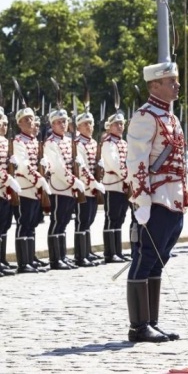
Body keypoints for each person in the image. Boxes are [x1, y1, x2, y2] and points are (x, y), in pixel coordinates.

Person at [125, 61, 186, 343]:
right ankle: (138, 326)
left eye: (176, 80)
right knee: (145, 257)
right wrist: (141, 200)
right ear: (154, 85)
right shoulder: (145, 116)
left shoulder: (171, 117)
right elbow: (137, 160)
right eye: (170, 81)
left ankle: (151, 322)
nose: (177, 85)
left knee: (159, 260)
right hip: (156, 199)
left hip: (173, 199)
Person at [45, 109, 87, 270]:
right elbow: (57, 167)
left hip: (70, 188)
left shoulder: (70, 141)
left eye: (64, 121)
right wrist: (74, 181)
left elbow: (77, 163)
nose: (63, 125)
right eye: (59, 122)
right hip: (59, 186)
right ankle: (55, 259)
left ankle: (62, 256)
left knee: (63, 222)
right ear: (52, 124)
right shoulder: (50, 143)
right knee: (57, 222)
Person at [12, 107, 51, 273]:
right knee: (24, 224)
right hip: (25, 188)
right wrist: (39, 179)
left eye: (31, 119)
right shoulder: (18, 141)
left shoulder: (35, 141)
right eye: (26, 119)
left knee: (32, 224)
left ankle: (31, 257)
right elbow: (23, 165)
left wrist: (46, 166)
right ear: (19, 123)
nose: (30, 122)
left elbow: (42, 161)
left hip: (36, 190)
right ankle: (23, 262)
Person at [74, 112, 106, 267]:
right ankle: (80, 255)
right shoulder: (78, 144)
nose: (89, 126)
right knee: (82, 221)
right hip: (84, 188)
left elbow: (97, 164)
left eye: (90, 123)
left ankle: (87, 251)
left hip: (94, 188)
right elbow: (82, 169)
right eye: (85, 124)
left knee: (89, 220)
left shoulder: (94, 143)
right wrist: (93, 183)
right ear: (78, 127)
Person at [101, 113, 131, 263]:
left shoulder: (124, 143)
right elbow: (114, 163)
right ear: (110, 126)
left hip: (123, 186)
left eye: (121, 124)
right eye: (116, 124)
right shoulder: (108, 143)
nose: (120, 126)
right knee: (111, 218)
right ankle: (109, 252)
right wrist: (128, 176)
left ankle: (117, 251)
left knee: (120, 219)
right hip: (113, 184)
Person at [0, 108, 20, 276]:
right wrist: (7, 179)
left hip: (6, 191)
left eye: (6, 124)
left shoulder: (7, 142)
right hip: (2, 187)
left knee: (5, 226)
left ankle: (2, 259)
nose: (4, 127)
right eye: (2, 123)